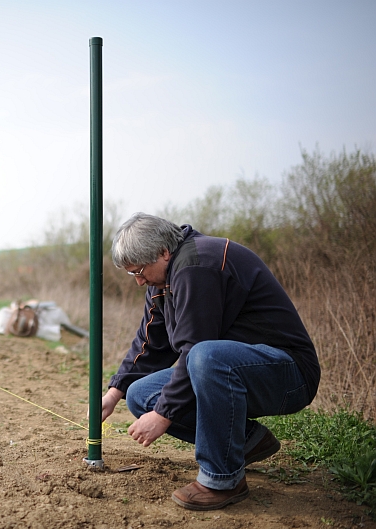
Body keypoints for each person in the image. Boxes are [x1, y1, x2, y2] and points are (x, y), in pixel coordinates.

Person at [99, 213, 320, 511]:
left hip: (287, 372)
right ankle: (248, 440)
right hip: (230, 367)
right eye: (131, 274)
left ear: (163, 252)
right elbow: (150, 341)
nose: (139, 281)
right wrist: (113, 394)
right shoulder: (164, 277)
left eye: (139, 270)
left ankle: (222, 480)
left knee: (206, 357)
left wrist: (163, 415)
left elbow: (196, 349)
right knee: (141, 395)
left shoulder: (197, 266)